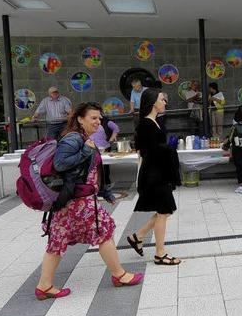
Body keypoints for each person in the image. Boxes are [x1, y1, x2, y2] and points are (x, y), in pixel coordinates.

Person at [35, 102, 143, 300]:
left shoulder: (83, 137)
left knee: (58, 240)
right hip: (78, 201)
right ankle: (119, 275)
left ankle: (44, 286)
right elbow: (60, 163)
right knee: (103, 230)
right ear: (79, 119)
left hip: (74, 200)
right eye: (93, 118)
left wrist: (105, 192)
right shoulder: (73, 139)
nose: (98, 121)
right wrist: (86, 149)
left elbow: (91, 171)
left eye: (99, 118)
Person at [126, 89, 182, 266]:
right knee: (164, 211)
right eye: (161, 99)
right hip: (153, 174)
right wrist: (169, 148)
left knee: (164, 211)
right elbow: (151, 151)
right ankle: (160, 254)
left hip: (158, 173)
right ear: (152, 102)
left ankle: (138, 237)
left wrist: (167, 148)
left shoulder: (154, 122)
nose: (165, 101)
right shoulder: (146, 124)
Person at [90, 114, 122, 196]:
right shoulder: (88, 123)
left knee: (104, 167)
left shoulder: (106, 121)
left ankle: (105, 184)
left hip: (104, 147)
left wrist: (112, 138)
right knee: (96, 167)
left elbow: (116, 128)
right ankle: (98, 186)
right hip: (93, 147)